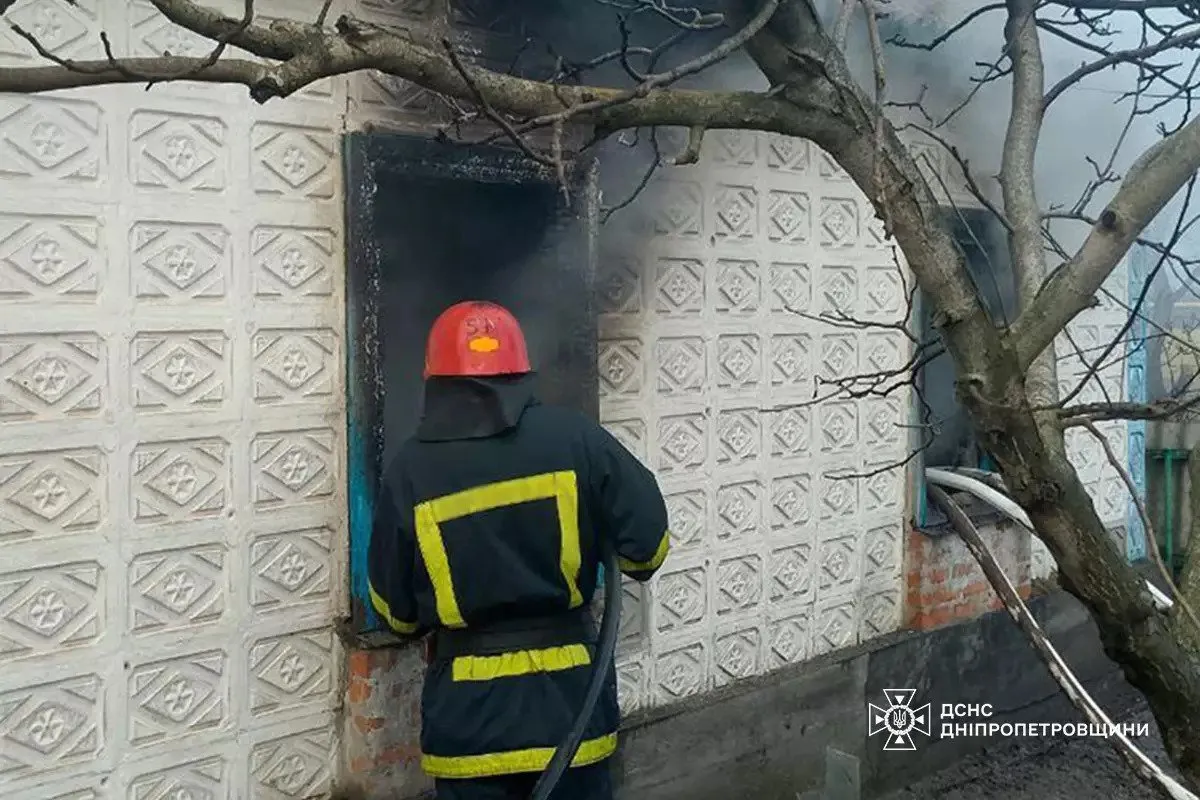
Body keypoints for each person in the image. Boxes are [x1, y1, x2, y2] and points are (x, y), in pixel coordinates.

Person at [367, 300, 671, 800]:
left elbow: (396, 614)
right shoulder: (576, 438)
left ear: (435, 378)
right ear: (520, 371)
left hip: (468, 726)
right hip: (571, 715)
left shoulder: (409, 470)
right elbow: (648, 549)